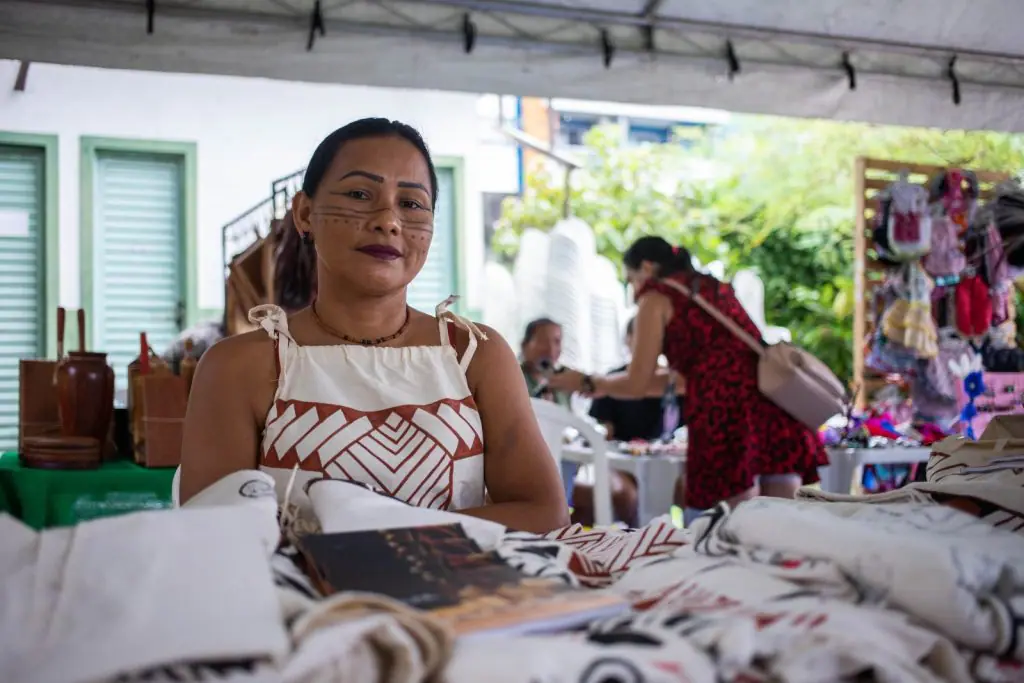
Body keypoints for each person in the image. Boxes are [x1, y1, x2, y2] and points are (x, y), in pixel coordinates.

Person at [179, 118, 568, 533]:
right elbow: (214, 537)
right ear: (305, 213)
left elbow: (543, 513)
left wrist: (378, 540)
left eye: (411, 204)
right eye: (359, 194)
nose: (389, 220)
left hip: (456, 581)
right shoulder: (239, 367)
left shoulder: (475, 355)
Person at [549, 236, 827, 525]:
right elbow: (682, 381)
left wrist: (587, 382)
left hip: (726, 412)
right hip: (771, 404)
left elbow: (638, 383)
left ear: (647, 267)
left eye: (631, 280)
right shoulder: (712, 288)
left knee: (728, 526)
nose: (633, 293)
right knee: (780, 523)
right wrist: (600, 384)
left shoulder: (657, 297)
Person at [520, 317, 639, 526]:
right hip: (528, 472)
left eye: (557, 341)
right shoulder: (514, 379)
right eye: (543, 341)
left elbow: (573, 425)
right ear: (525, 345)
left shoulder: (563, 381)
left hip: (565, 469)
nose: (550, 349)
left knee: (622, 498)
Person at [589, 316, 684, 442]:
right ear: (627, 339)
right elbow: (604, 431)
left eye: (654, 338)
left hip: (667, 452)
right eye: (642, 338)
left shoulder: (675, 382)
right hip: (619, 452)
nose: (648, 346)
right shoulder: (611, 380)